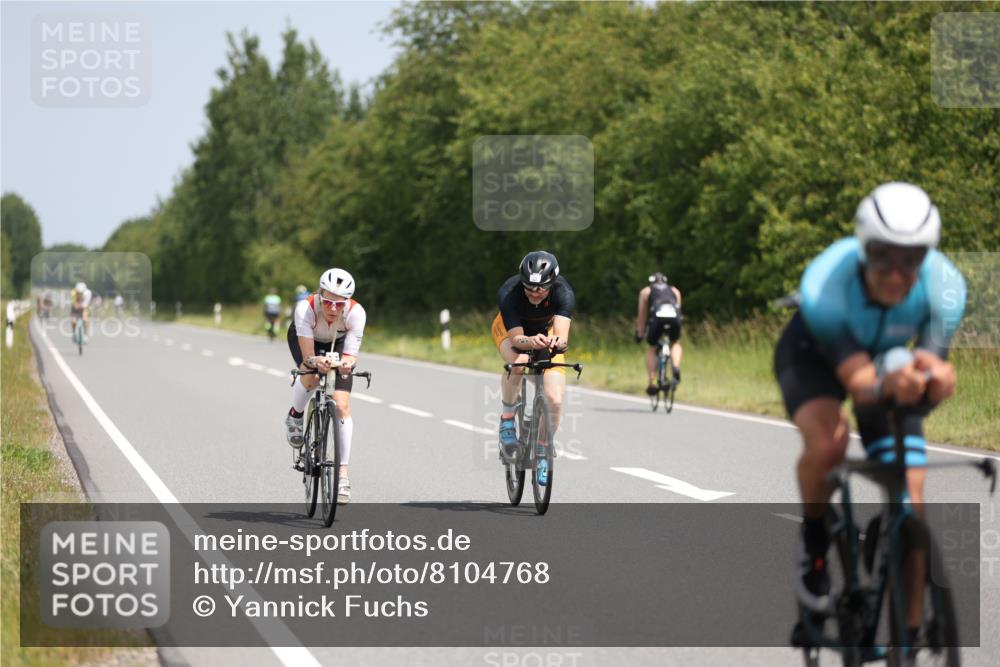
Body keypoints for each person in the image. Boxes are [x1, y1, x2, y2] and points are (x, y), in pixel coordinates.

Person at [773, 182, 966, 630]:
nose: (896, 272)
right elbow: (862, 387)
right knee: (828, 445)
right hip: (815, 355)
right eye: (882, 255)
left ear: (927, 255)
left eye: (911, 258)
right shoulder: (825, 285)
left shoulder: (946, 286)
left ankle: (909, 634)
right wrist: (897, 383)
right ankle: (815, 539)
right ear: (863, 248)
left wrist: (935, 381)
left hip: (888, 360)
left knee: (912, 501)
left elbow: (928, 366)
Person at [491, 251, 575, 486]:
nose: (534, 294)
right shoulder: (508, 292)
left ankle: (543, 450)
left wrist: (556, 342)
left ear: (552, 283)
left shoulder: (564, 293)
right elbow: (517, 340)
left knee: (555, 401)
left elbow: (562, 336)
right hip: (512, 333)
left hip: (544, 332)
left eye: (541, 289)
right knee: (518, 363)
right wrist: (531, 342)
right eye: (529, 288)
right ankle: (507, 418)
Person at [284, 269, 366, 504]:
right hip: (307, 338)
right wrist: (316, 361)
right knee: (310, 377)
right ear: (320, 295)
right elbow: (309, 357)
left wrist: (347, 364)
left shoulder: (356, 313)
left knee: (341, 405)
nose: (332, 309)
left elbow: (350, 354)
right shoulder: (305, 308)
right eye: (328, 301)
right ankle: (295, 415)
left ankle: (342, 477)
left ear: (347, 303)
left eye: (339, 304)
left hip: (337, 341)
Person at [635, 272, 683, 394]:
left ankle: (652, 381)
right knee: (675, 343)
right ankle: (676, 366)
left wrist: (640, 334)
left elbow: (642, 316)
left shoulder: (646, 291)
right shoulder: (675, 290)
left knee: (652, 347)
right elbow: (679, 310)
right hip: (674, 319)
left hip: (658, 319)